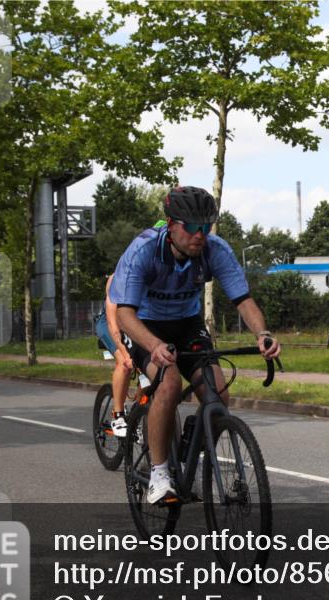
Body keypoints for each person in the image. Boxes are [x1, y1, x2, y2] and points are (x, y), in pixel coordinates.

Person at [110, 186, 281, 504]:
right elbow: (124, 313)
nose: (200, 235)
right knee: (169, 383)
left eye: (207, 227)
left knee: (218, 391)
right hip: (146, 325)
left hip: (187, 324)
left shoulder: (215, 250)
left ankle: (191, 449)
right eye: (192, 227)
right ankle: (159, 475)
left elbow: (243, 301)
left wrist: (262, 334)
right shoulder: (144, 250)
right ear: (171, 224)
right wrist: (154, 344)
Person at [95, 273, 133, 437]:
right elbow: (113, 322)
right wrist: (125, 353)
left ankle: (140, 411)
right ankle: (118, 414)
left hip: (131, 324)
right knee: (124, 363)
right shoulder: (117, 279)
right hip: (109, 323)